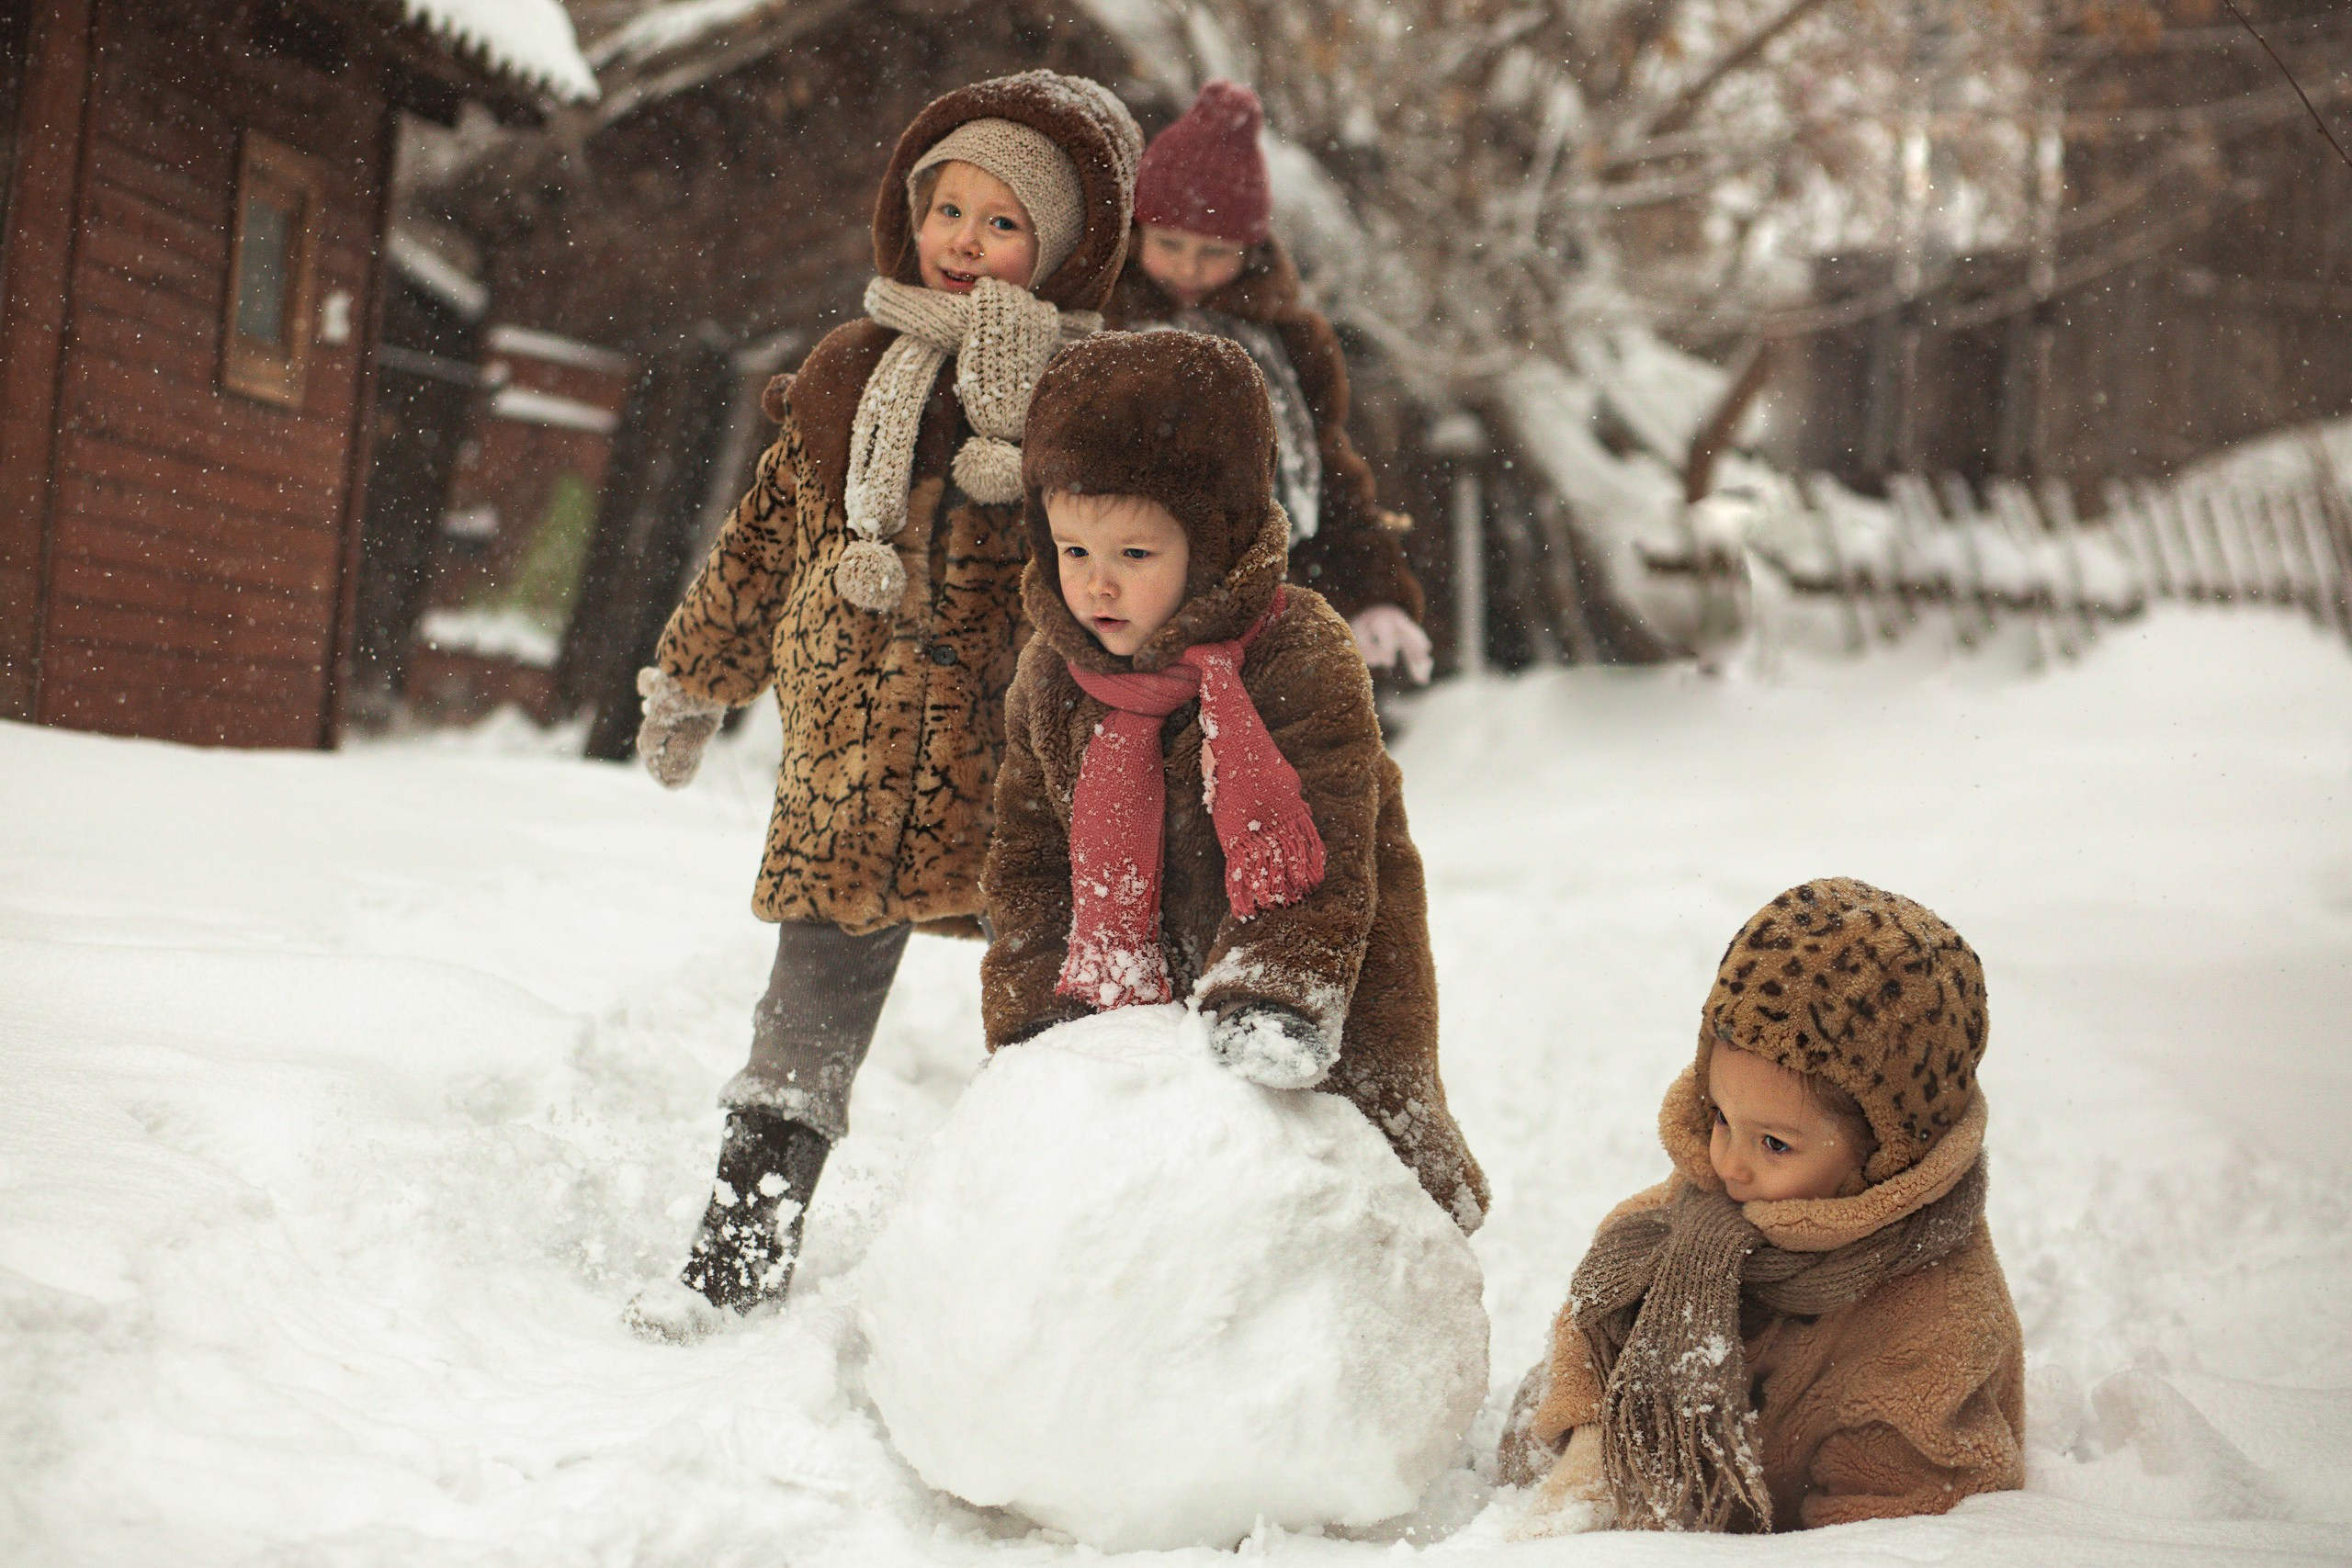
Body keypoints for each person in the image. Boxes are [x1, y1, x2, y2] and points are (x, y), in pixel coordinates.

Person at [624, 72, 1143, 1339]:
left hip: (1013, 770)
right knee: (799, 1033)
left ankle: (1053, 1287)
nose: (963, 240)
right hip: (849, 764)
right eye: (946, 209)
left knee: (1062, 1025)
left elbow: (1137, 569)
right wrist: (695, 676)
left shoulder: (1088, 401)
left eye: (1002, 222)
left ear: (1059, 250)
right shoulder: (844, 374)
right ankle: (735, 1262)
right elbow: (761, 545)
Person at [978, 329, 1486, 1229]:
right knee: (1145, 1204)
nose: (1097, 586)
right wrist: (1034, 1011)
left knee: (1328, 1192)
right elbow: (1029, 860)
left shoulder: (1296, 656)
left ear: (1211, 543)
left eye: (1135, 556)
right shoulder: (1053, 679)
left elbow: (1324, 852)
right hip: (1129, 994)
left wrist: (1270, 995)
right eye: (1072, 551)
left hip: (1318, 985)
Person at [1497, 878, 2024, 1534]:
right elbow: (1593, 1326)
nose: (1729, 1164)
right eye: (1721, 1116)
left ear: (1883, 1156)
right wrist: (1593, 1444)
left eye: (1774, 1143)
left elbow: (1891, 1535)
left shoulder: (1934, 1327)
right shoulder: (1707, 1212)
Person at [1103, 80, 1432, 684]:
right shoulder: (1100, 327)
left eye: (1214, 252)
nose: (1188, 268)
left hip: (1259, 623)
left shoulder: (1290, 345)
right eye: (1169, 243)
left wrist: (1373, 593)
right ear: (1137, 232)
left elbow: (1329, 482)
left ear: (1250, 250)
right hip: (1110, 614)